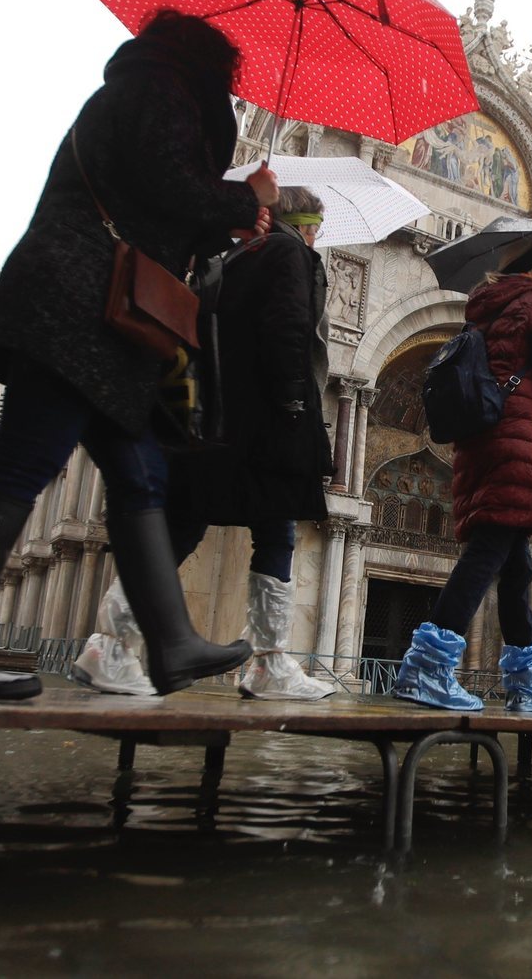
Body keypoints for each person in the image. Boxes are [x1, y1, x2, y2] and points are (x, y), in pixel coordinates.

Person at [0, 10, 277, 701]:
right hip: (81, 306)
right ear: (206, 63)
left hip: (98, 312)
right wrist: (243, 197)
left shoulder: (143, 87)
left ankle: (170, 641)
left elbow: (157, 210)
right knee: (27, 459)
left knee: (141, 473)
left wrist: (234, 216)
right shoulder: (159, 90)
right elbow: (171, 187)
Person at [73, 186, 337, 701]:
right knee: (278, 530)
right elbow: (289, 332)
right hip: (268, 419)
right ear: (303, 224)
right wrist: (294, 406)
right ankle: (269, 664)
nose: (316, 236)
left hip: (216, 419)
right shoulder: (288, 253)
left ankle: (109, 645)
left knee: (182, 526)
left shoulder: (230, 259)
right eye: (316, 226)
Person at [395, 241, 532, 712]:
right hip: (519, 440)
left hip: (482, 438)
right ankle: (427, 668)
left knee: (515, 567)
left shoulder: (482, 310)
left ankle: (526, 678)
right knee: (488, 553)